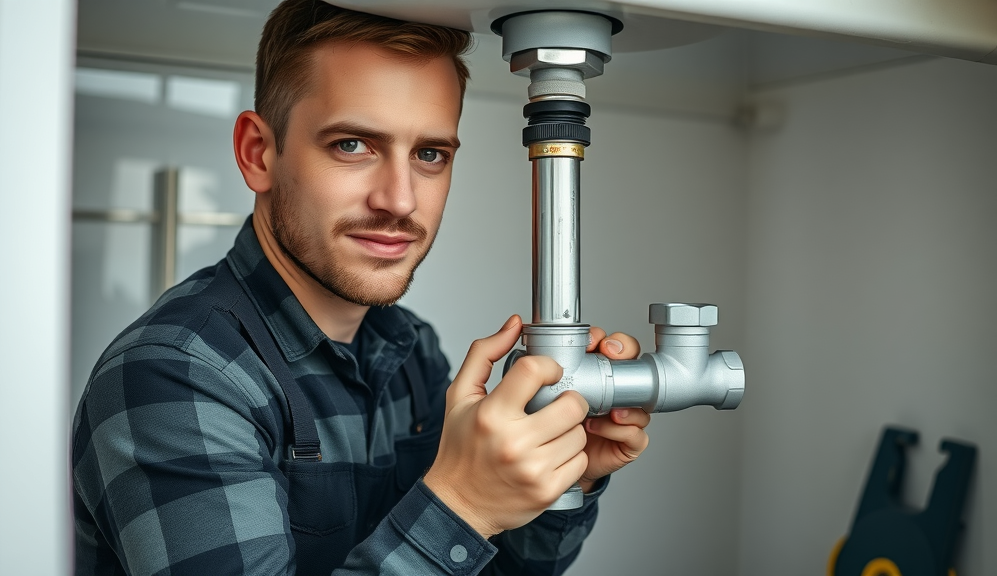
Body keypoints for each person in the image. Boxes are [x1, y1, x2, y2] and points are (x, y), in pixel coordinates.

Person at [71, 1, 651, 574]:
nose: (399, 199)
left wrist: (559, 476)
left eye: (429, 154)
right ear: (258, 153)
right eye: (353, 145)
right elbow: (456, 528)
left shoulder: (408, 350)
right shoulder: (174, 376)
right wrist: (465, 502)